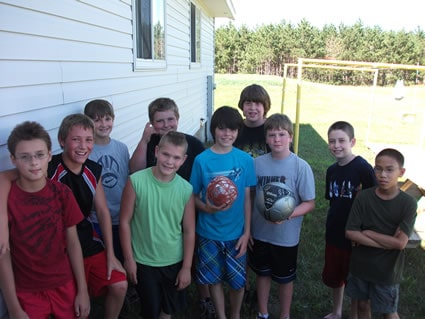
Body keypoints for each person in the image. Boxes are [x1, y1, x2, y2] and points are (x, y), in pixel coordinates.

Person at [0, 114, 128, 319]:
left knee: (119, 285)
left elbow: (102, 212)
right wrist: (2, 226)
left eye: (88, 140)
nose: (83, 145)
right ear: (61, 142)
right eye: (76, 139)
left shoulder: (91, 171)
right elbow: (5, 177)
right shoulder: (47, 167)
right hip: (49, 258)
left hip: (82, 239)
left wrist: (111, 254)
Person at [128, 97, 213, 318]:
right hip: (150, 217)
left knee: (192, 253)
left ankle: (204, 296)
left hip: (186, 203)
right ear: (151, 124)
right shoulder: (150, 146)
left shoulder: (192, 145)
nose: (166, 124)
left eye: (170, 119)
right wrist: (144, 141)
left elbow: (205, 170)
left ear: (178, 118)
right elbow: (133, 171)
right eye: (159, 121)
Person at [0, 121, 90, 318]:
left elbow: (73, 243)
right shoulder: (7, 199)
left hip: (64, 282)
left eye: (40, 155)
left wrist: (82, 290)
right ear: (13, 159)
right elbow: (3, 254)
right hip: (26, 289)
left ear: (49, 155)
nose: (34, 162)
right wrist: (13, 307)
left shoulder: (62, 193)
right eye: (25, 157)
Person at [120, 131, 196, 319]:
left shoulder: (186, 189)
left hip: (174, 260)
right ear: (156, 151)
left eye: (176, 157)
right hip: (144, 261)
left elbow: (188, 231)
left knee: (167, 308)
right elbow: (124, 222)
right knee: (150, 309)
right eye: (166, 154)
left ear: (183, 160)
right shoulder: (136, 181)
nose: (170, 161)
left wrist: (186, 267)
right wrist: (129, 259)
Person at [190, 106, 256, 319]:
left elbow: (247, 198)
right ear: (213, 130)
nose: (227, 134)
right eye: (222, 128)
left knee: (237, 282)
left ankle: (235, 314)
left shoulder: (245, 160)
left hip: (236, 233)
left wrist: (247, 232)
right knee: (214, 279)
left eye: (233, 129)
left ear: (238, 131)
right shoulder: (202, 160)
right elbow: (192, 196)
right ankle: (221, 315)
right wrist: (206, 208)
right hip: (209, 232)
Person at [249, 113, 315, 319]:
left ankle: (285, 315)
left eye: (281, 134)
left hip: (285, 236)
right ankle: (263, 312)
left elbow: (309, 203)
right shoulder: (257, 164)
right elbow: (250, 197)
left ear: (291, 137)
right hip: (260, 232)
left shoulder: (300, 166)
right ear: (266, 138)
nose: (277, 139)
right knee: (262, 274)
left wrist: (287, 214)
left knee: (285, 278)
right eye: (272, 134)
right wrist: (248, 229)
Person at [345, 148, 417, 319]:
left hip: (387, 270)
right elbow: (350, 232)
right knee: (362, 305)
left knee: (388, 311)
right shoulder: (363, 197)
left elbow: (400, 243)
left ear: (401, 172)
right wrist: (388, 242)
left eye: (389, 169)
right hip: (361, 265)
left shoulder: (408, 203)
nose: (382, 174)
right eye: (378, 168)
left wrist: (368, 233)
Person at [322, 121, 376, 319]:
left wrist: (363, 231)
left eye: (341, 140)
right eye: (332, 141)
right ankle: (337, 311)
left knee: (353, 280)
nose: (336, 145)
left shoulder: (363, 168)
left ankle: (353, 315)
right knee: (336, 278)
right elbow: (332, 202)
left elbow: (374, 201)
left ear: (352, 141)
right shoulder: (331, 171)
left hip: (356, 237)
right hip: (335, 232)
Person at [84, 99, 130, 263]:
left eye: (107, 119)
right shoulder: (86, 152)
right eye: (97, 120)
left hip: (122, 215)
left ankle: (129, 286)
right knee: (105, 257)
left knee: (124, 253)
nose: (103, 124)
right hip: (97, 217)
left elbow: (126, 178)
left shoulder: (122, 148)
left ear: (113, 119)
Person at [234, 84, 271, 157]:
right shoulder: (235, 130)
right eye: (248, 103)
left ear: (265, 106)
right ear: (242, 106)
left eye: (257, 103)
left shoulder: (273, 129)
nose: (252, 108)